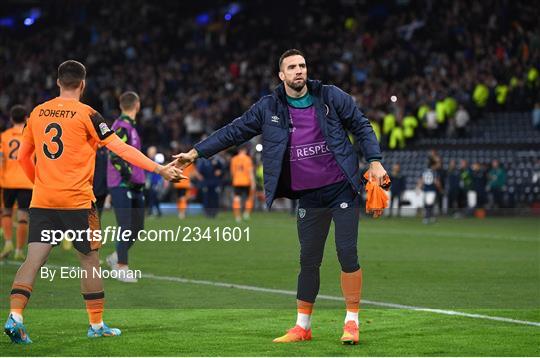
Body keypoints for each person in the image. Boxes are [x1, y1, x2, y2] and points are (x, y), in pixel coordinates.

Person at [174, 49, 386, 344]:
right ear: (282, 75)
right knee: (308, 260)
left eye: (302, 65)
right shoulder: (268, 107)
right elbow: (234, 131)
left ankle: (351, 321)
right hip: (308, 196)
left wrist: (374, 160)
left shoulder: (330, 96)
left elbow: (361, 124)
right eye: (292, 67)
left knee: (347, 253)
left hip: (341, 187)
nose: (299, 71)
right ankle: (303, 327)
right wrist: (196, 153)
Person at [4, 60, 182, 344]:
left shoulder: (37, 113)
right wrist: (158, 168)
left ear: (58, 81)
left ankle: (15, 316)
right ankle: (96, 324)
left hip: (43, 199)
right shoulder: (88, 114)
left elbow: (24, 157)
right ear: (83, 84)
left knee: (33, 259)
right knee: (89, 261)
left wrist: (39, 182)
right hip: (78, 202)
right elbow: (121, 148)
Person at [105, 92, 147, 283]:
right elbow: (114, 156)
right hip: (122, 184)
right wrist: (129, 177)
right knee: (126, 225)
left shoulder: (129, 127)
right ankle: (121, 266)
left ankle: (115, 256)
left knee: (137, 226)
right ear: (137, 105)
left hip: (134, 183)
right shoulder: (121, 127)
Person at [0, 105, 33, 260]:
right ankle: (19, 250)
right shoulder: (30, 136)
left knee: (6, 212)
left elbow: (1, 159)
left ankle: (8, 241)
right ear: (26, 118)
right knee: (23, 217)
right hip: (26, 181)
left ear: (11, 119)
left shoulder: (5, 136)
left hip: (8, 181)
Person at [230, 146, 255, 222]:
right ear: (244, 150)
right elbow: (250, 172)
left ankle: (237, 217)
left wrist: (234, 179)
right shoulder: (248, 159)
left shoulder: (234, 159)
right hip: (246, 181)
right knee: (249, 197)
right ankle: (246, 213)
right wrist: (253, 182)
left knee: (237, 198)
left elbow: (232, 172)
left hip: (237, 181)